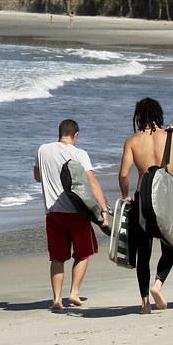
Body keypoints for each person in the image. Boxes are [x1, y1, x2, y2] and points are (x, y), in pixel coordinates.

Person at [118, 97, 173, 314]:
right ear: (158, 115)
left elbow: (124, 173)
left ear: (138, 117)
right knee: (170, 247)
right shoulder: (171, 137)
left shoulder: (132, 141)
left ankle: (145, 303)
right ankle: (157, 285)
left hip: (142, 199)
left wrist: (125, 195)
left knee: (143, 252)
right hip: (167, 199)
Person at [33, 119, 109, 310]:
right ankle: (74, 292)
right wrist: (104, 210)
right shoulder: (80, 154)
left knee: (57, 257)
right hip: (77, 213)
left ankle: (57, 299)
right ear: (76, 135)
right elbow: (92, 183)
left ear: (59, 133)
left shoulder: (43, 150)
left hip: (53, 213)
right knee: (84, 253)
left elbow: (37, 176)